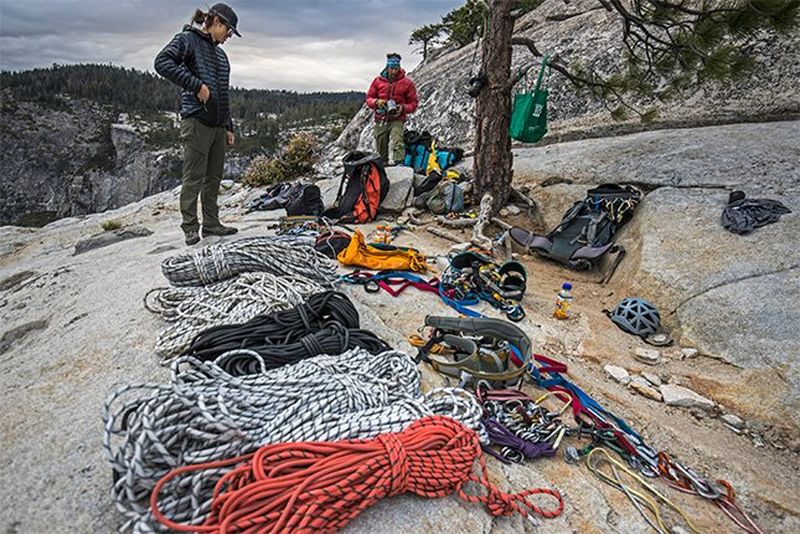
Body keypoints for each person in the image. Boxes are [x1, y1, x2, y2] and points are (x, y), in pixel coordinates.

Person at [154, 3, 241, 245]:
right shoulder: (187, 40)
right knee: (193, 176)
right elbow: (162, 62)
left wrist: (229, 125)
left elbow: (223, 94)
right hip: (196, 120)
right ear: (215, 22)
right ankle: (190, 227)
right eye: (228, 30)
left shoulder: (222, 56)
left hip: (217, 124)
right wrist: (196, 85)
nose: (229, 36)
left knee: (213, 178)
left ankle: (211, 224)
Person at [365, 53, 418, 166]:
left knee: (397, 140)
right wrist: (377, 102)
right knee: (381, 142)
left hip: (397, 118)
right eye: (392, 68)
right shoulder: (378, 81)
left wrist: (403, 108)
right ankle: (383, 164)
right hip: (381, 117)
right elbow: (369, 98)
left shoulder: (407, 83)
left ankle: (400, 163)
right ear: (387, 67)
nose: (394, 71)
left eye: (396, 68)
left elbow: (413, 103)